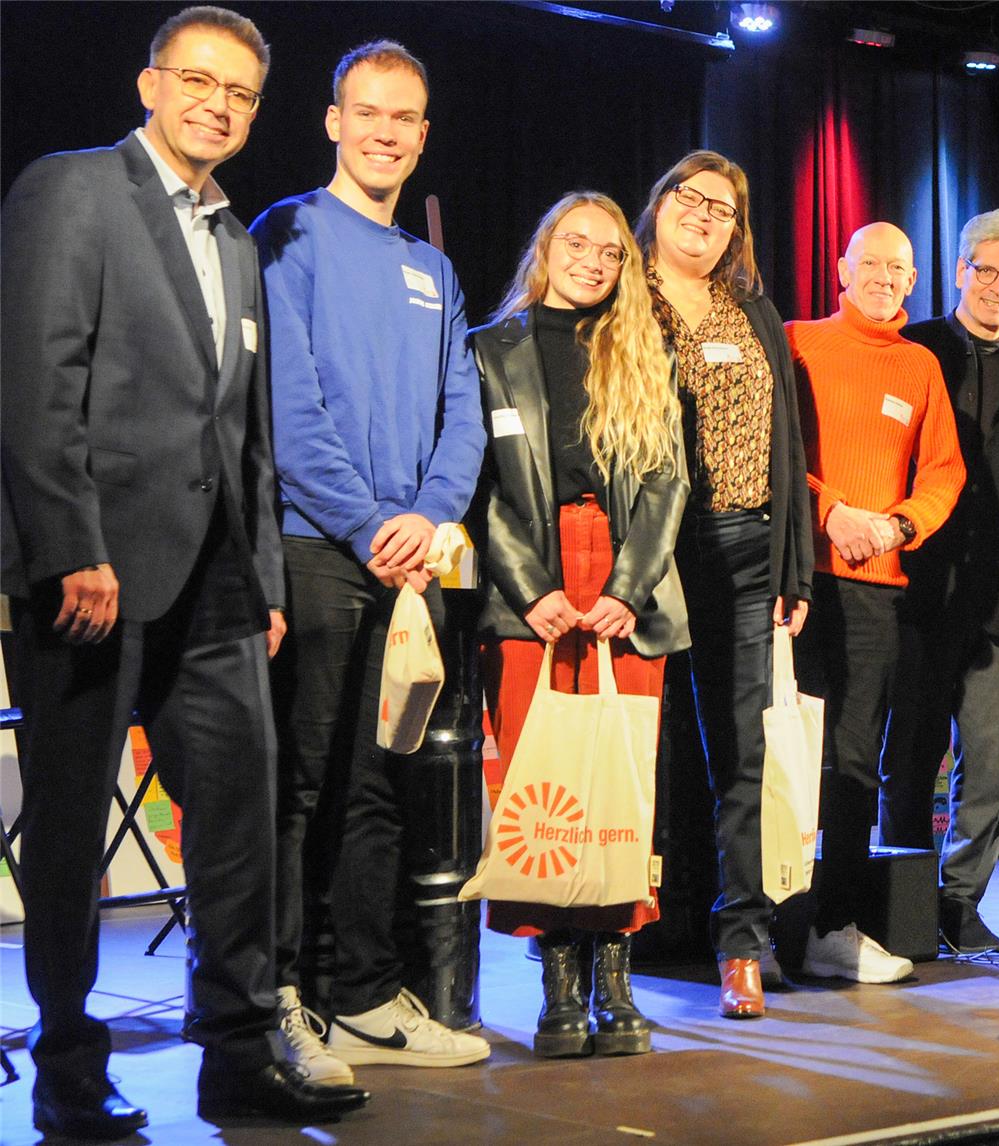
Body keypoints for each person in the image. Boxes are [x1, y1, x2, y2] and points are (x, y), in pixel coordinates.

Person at [0, 6, 370, 1133]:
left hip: (215, 585)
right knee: (71, 834)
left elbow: (243, 436)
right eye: (198, 81)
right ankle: (70, 1068)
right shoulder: (72, 190)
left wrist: (260, 576)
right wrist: (73, 546)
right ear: (150, 83)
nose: (218, 104)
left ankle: (236, 1049)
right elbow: (33, 377)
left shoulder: (236, 238)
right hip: (90, 577)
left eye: (241, 93)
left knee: (241, 821)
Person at [252, 39, 489, 1079]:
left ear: (422, 135)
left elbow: (464, 416)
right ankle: (282, 999)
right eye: (368, 113)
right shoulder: (287, 234)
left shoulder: (432, 268)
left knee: (379, 784)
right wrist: (366, 524)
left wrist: (429, 518)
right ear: (334, 121)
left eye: (405, 118)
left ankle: (362, 997)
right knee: (301, 784)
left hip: (409, 569)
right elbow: (287, 409)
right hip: (318, 550)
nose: (386, 132)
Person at [469, 191, 688, 1056]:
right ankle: (559, 983)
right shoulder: (489, 350)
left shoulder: (641, 350)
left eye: (610, 252)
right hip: (531, 583)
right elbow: (475, 484)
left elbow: (668, 481)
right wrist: (529, 589)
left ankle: (616, 980)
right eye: (577, 244)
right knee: (545, 783)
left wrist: (627, 589)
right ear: (544, 247)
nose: (593, 261)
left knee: (621, 784)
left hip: (622, 583)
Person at [636, 151, 814, 1019]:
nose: (705, 217)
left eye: (724, 209)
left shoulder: (754, 312)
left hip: (747, 549)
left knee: (739, 750)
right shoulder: (623, 300)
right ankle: (620, 929)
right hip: (649, 554)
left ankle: (740, 940)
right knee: (641, 744)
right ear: (660, 204)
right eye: (691, 199)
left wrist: (795, 563)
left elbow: (789, 444)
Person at [881, 208, 999, 954]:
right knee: (910, 753)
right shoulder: (912, 348)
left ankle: (960, 902)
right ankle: (903, 901)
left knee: (987, 765)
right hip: (913, 590)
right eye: (986, 270)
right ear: (959, 270)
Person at [788, 223, 966, 983]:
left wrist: (896, 525)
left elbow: (945, 473)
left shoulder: (919, 365)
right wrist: (831, 513)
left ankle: (836, 927)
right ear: (841, 269)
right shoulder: (797, 341)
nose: (884, 278)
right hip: (794, 578)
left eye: (899, 268)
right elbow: (769, 452)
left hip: (873, 588)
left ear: (914, 279)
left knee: (854, 763)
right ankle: (760, 926)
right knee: (781, 756)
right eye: (871, 264)